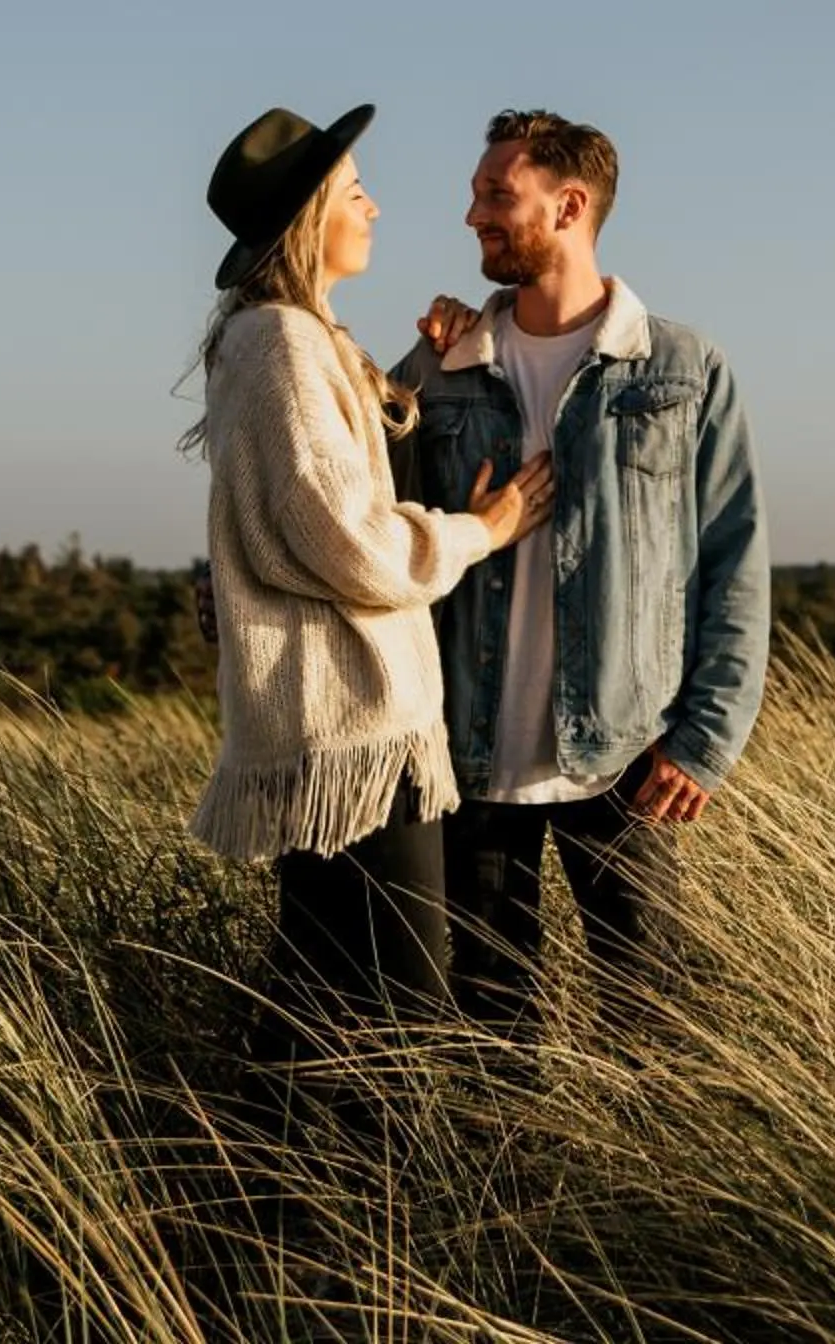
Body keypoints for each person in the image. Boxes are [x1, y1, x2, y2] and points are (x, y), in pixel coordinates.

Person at [391, 109, 769, 1040]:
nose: (472, 213)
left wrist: (705, 737)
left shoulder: (683, 369)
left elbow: (733, 558)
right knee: (490, 1039)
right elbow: (356, 515)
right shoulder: (437, 368)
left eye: (494, 195)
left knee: (651, 1033)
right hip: (467, 762)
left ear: (568, 206)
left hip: (628, 756)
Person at [184, 102, 554, 1042]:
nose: (375, 207)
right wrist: (480, 530)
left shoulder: (297, 341)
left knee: (328, 1003)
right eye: (355, 190)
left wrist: (429, 362)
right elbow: (345, 537)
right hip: (347, 733)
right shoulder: (282, 344)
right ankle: (361, 1191)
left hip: (334, 736)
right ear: (313, 216)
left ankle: (274, 1185)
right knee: (395, 1016)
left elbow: (336, 466)